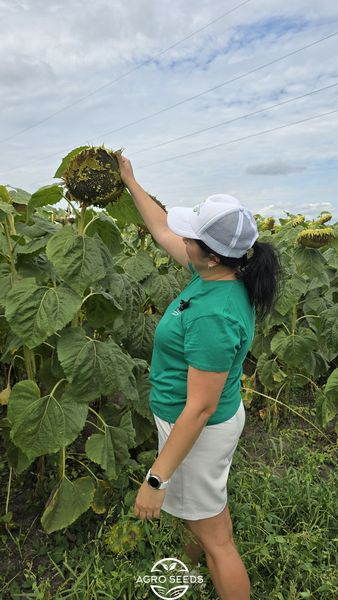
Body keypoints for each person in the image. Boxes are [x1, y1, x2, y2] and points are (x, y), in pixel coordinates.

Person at [115, 152, 284, 600]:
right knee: (206, 516)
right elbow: (161, 229)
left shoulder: (213, 314)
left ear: (209, 255)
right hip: (206, 425)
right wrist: (131, 182)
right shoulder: (220, 275)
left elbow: (200, 407)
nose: (181, 239)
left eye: (191, 237)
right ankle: (187, 570)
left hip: (196, 429)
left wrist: (156, 479)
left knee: (218, 541)